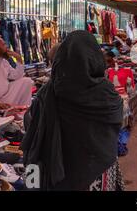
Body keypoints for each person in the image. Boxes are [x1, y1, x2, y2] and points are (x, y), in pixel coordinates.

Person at [22, 31, 124, 190]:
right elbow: (116, 125)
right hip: (99, 173)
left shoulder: (48, 93)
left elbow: (33, 137)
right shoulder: (107, 94)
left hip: (61, 176)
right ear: (95, 58)